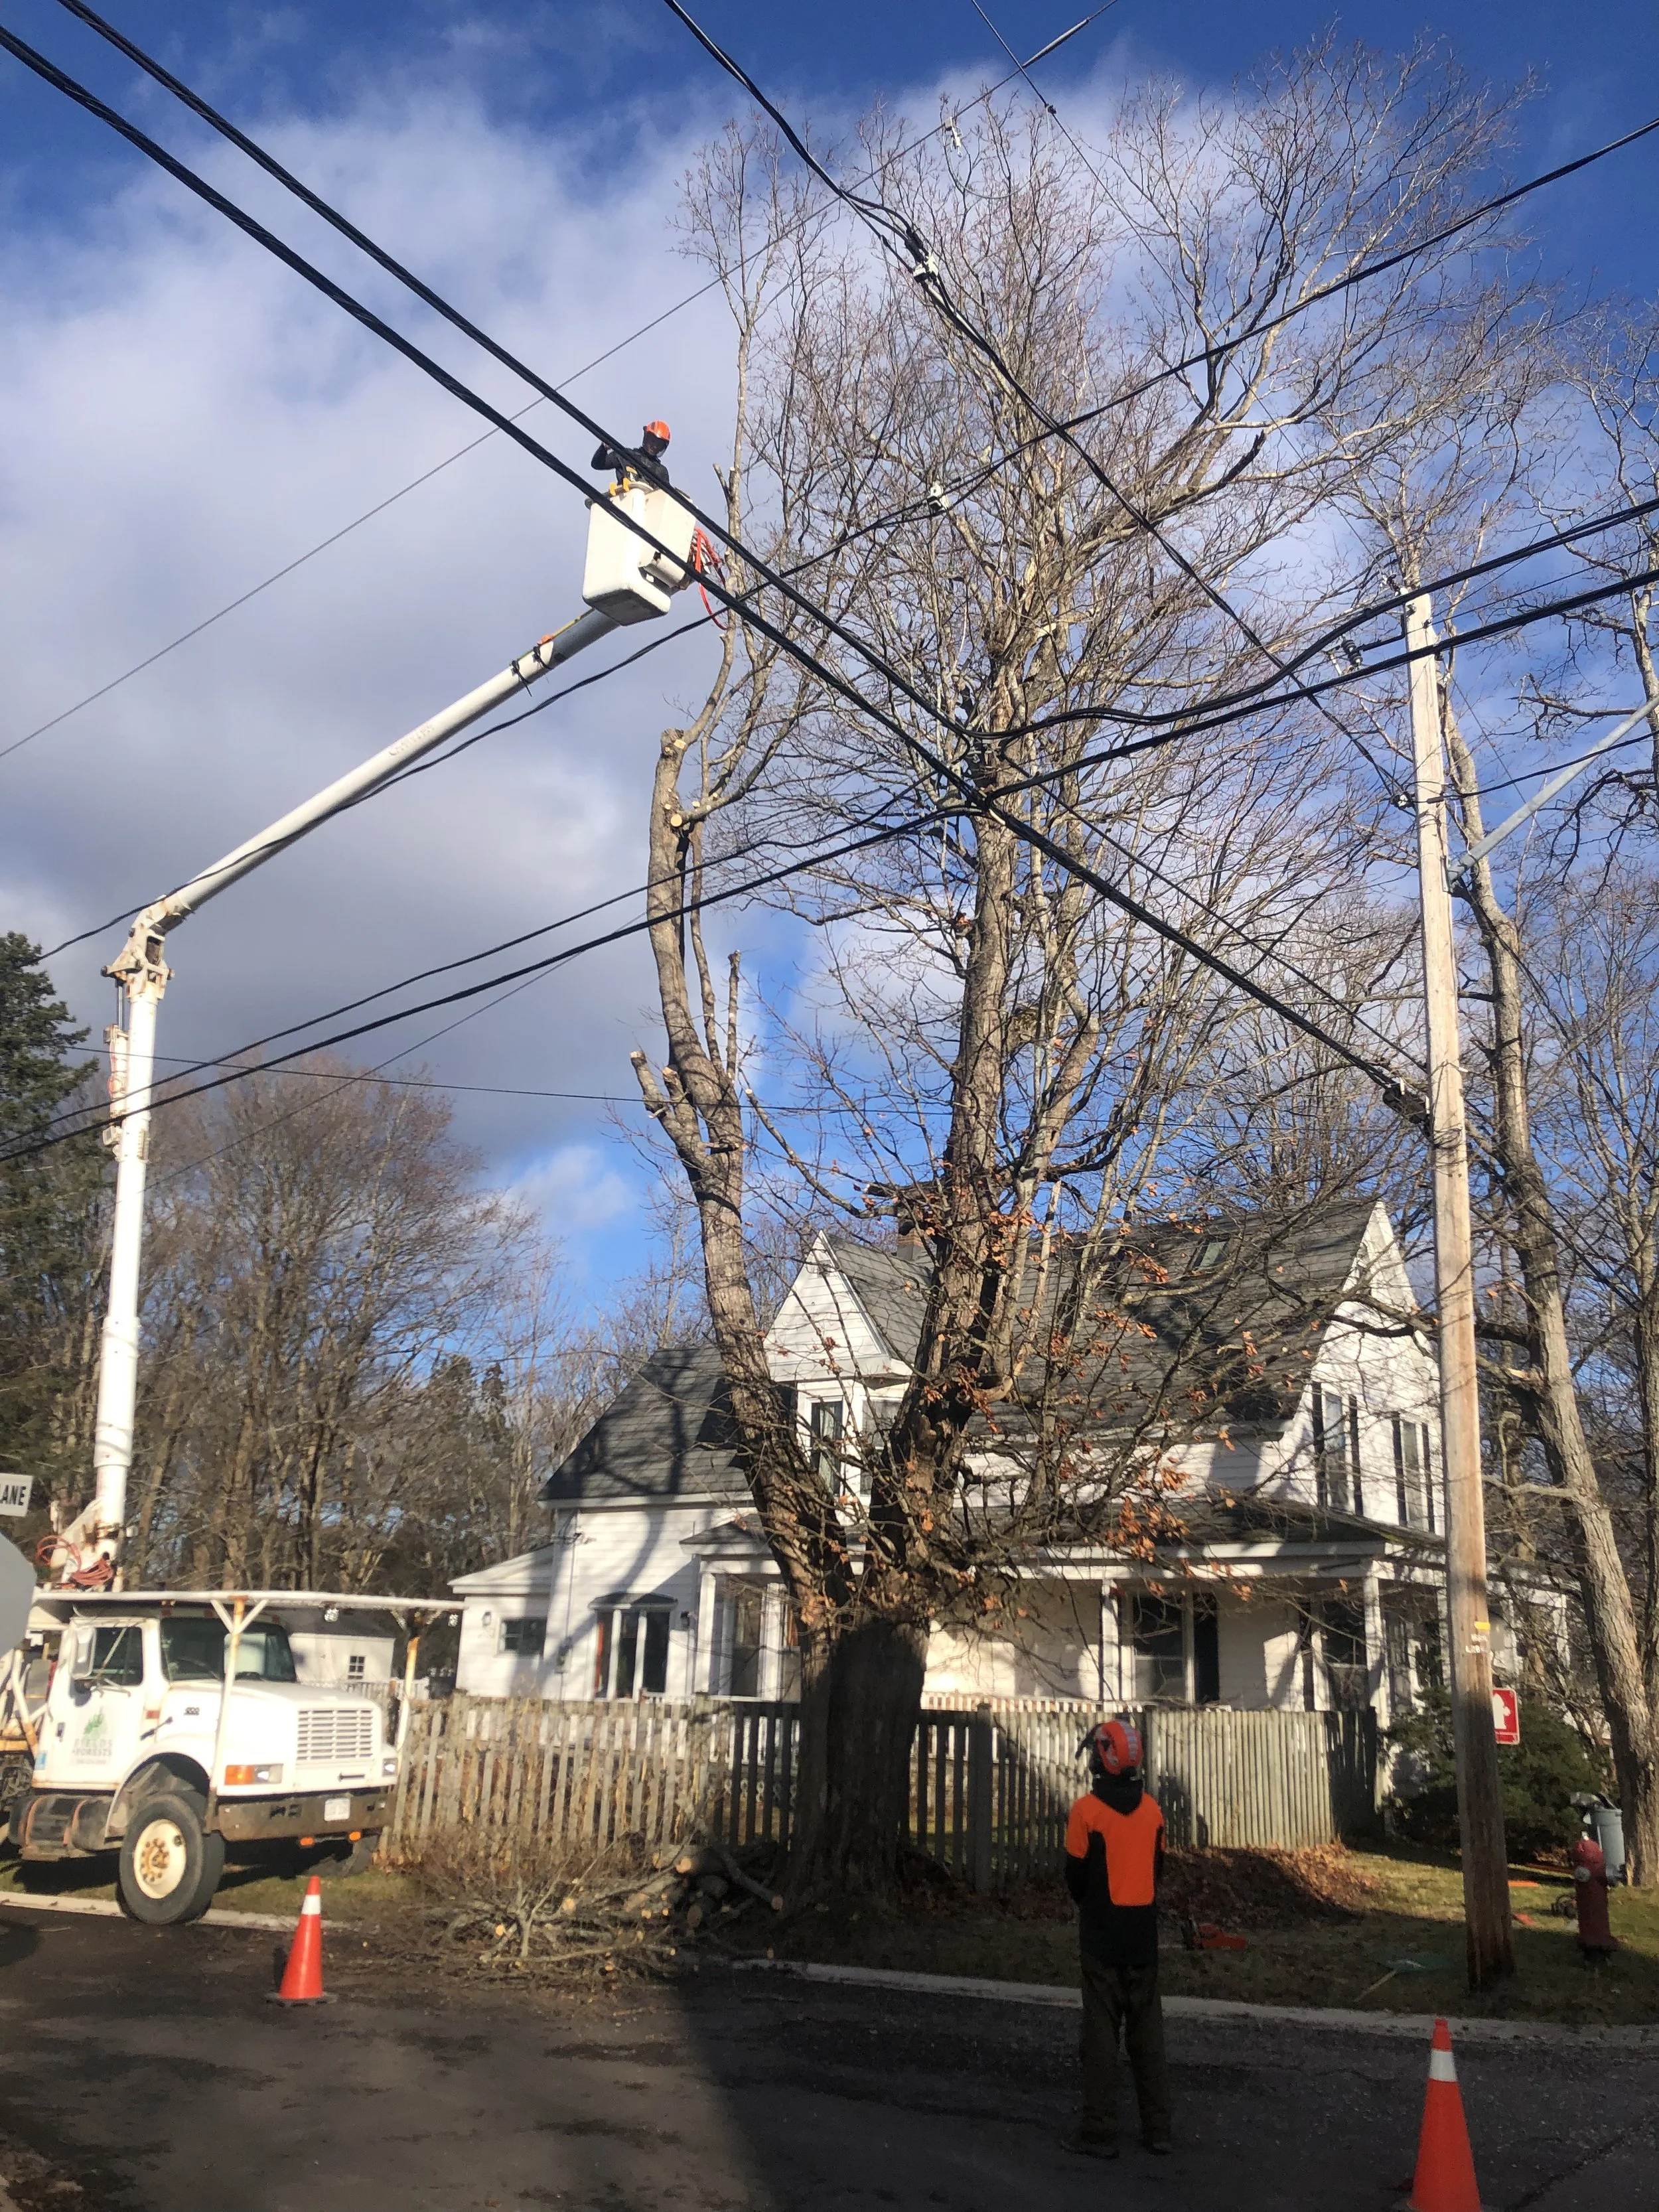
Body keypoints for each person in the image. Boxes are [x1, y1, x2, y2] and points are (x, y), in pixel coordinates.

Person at [1062, 1717, 1173, 2159]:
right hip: (1143, 1940)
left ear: (1104, 1756)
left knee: (1101, 2036)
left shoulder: (1085, 1812)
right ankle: (1159, 2129)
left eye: (1095, 1749)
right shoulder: (1153, 1811)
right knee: (1149, 2038)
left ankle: (1099, 2131)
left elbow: (1075, 1878)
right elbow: (1157, 1872)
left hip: (1102, 1940)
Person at [590, 419, 672, 489]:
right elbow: (597, 464)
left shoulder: (661, 472)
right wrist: (603, 449)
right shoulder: (626, 456)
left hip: (649, 505)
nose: (654, 446)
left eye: (658, 445)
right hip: (625, 500)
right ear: (646, 438)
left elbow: (667, 497)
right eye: (652, 441)